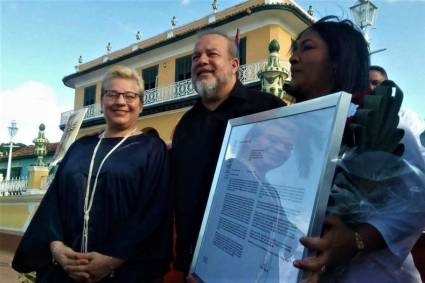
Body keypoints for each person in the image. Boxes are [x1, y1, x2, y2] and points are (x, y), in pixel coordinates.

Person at [288, 17, 425, 282]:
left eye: (307, 47)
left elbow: (419, 200)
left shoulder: (392, 117)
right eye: (294, 50)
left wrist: (356, 240)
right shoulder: (296, 128)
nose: (293, 58)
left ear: (338, 61)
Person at [13, 65, 172, 283]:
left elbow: (152, 211)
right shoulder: (80, 147)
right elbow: (53, 203)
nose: (120, 102)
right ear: (101, 102)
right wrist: (57, 247)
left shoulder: (152, 149)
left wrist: (111, 259)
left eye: (130, 95)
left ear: (141, 105)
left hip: (122, 272)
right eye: (112, 94)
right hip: (62, 271)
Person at [171, 30, 285, 279]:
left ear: (234, 65)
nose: (201, 61)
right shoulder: (185, 125)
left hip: (252, 266)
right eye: (195, 57)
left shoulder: (267, 109)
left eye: (212, 54)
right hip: (192, 264)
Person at [369, 65, 425, 164]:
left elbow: (421, 153)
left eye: (375, 83)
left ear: (388, 87)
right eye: (365, 84)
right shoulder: (358, 120)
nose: (370, 88)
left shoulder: (407, 117)